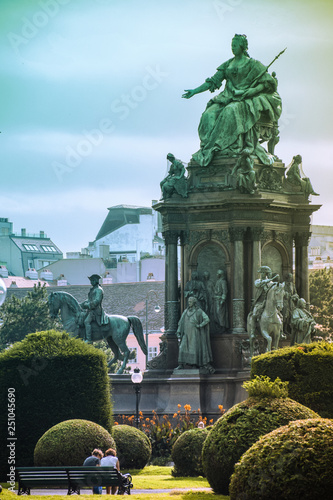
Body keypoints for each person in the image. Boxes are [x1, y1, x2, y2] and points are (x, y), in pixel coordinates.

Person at [182, 34, 282, 166]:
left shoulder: (254, 64)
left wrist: (251, 91)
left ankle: (223, 146)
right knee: (208, 115)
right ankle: (213, 149)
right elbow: (213, 82)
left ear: (242, 47)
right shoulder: (228, 64)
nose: (232, 48)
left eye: (235, 45)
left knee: (230, 111)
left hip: (244, 100)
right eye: (231, 45)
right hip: (227, 98)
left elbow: (268, 83)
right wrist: (195, 91)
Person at [176, 296, 214, 373]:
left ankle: (194, 364)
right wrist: (179, 331)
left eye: (190, 301)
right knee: (182, 347)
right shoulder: (186, 311)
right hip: (186, 334)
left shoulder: (199, 311)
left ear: (194, 302)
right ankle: (181, 364)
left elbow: (207, 319)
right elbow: (181, 322)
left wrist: (200, 325)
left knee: (194, 348)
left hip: (194, 333)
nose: (189, 303)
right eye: (188, 301)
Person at [248, 266, 279, 336]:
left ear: (266, 274)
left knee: (279, 315)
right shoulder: (258, 281)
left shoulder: (271, 283)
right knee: (254, 315)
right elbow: (257, 285)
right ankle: (252, 332)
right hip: (259, 302)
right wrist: (266, 281)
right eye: (261, 273)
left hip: (269, 303)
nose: (261, 274)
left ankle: (281, 332)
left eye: (263, 273)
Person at [80, 274, 108, 343]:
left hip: (95, 310)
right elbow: (89, 299)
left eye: (92, 280)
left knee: (86, 321)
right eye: (91, 280)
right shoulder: (93, 289)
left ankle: (89, 339)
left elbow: (96, 301)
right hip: (91, 309)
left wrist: (88, 305)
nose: (91, 282)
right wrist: (81, 304)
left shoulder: (99, 290)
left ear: (96, 281)